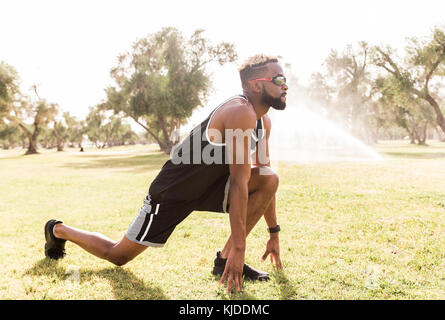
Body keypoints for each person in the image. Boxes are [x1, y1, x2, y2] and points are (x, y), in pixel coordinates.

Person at [44, 54, 288, 294]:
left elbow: (262, 178)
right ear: (256, 85)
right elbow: (237, 183)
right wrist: (240, 247)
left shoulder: (262, 121)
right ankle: (58, 230)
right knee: (117, 255)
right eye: (278, 80)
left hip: (209, 189)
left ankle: (224, 261)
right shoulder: (239, 111)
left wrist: (273, 233)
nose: (285, 85)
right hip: (173, 192)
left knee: (269, 178)